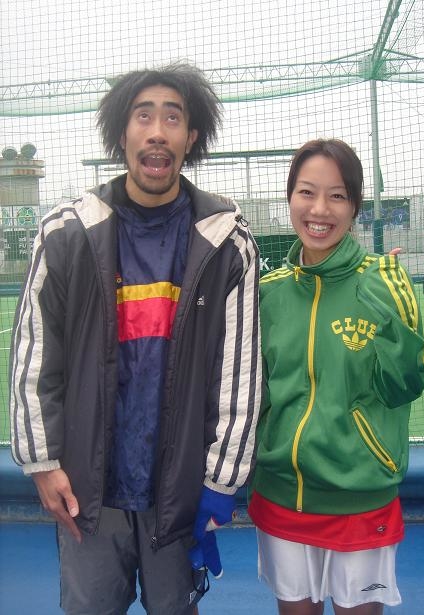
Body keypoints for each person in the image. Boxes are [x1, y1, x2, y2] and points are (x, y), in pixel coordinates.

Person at [9, 63, 261, 615]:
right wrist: (41, 462)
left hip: (178, 492)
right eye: (143, 116)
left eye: (172, 118)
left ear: (191, 137)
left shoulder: (227, 242)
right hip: (88, 491)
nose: (157, 132)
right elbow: (34, 357)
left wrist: (221, 482)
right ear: (121, 133)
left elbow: (239, 374)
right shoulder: (66, 233)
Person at [248, 139, 424, 615]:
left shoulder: (383, 281)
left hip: (359, 498)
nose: (319, 209)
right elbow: (253, 393)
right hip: (281, 494)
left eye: (337, 195)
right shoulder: (267, 293)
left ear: (355, 207)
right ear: (290, 198)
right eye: (307, 192)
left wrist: (389, 316)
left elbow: (406, 385)